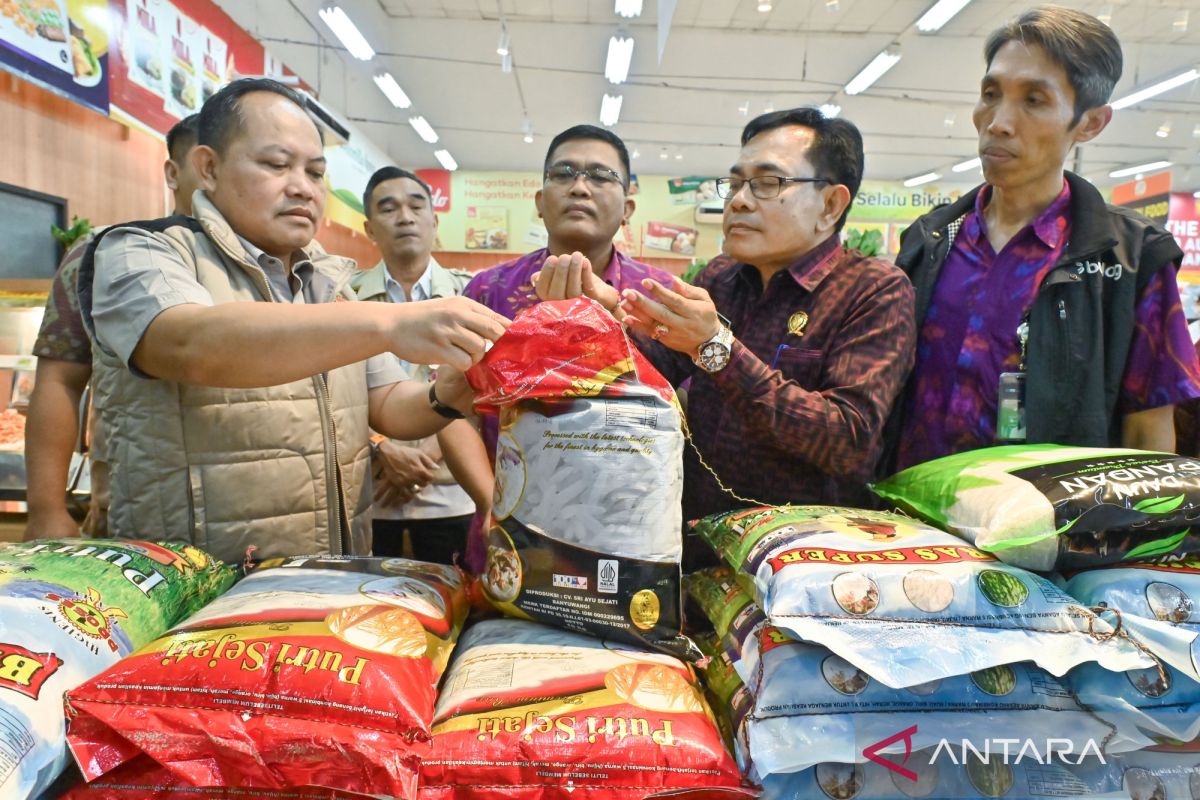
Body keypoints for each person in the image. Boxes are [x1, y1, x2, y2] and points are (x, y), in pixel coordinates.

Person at [80, 78, 507, 564]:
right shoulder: (142, 250)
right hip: (197, 583)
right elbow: (188, 343)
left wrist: (446, 393)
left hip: (325, 580)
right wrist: (390, 322)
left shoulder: (328, 282)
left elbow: (388, 404)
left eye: (316, 172)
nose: (302, 187)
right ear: (209, 168)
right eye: (277, 165)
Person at [537, 108, 916, 566]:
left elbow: (847, 439)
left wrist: (715, 348)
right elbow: (648, 373)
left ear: (831, 205)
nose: (738, 201)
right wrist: (605, 316)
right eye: (735, 183)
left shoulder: (874, 289)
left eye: (767, 183)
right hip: (697, 550)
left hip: (804, 565)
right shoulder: (721, 278)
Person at [889, 6, 1200, 471]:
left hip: (1047, 531)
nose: (998, 121)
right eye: (990, 93)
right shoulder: (931, 242)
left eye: (1034, 100)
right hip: (910, 527)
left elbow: (1148, 434)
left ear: (1090, 123)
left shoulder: (1130, 261)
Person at [24, 114, 203, 541]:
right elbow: (59, 381)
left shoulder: (280, 263)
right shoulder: (104, 254)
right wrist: (46, 509)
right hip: (134, 505)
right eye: (206, 163)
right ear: (173, 173)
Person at [352, 166, 492, 564]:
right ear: (370, 228)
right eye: (389, 208)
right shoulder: (345, 299)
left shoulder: (473, 294)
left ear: (435, 220)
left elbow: (486, 387)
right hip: (371, 496)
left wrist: (428, 450)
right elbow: (333, 389)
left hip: (454, 494)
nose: (405, 217)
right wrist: (383, 449)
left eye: (416, 206)